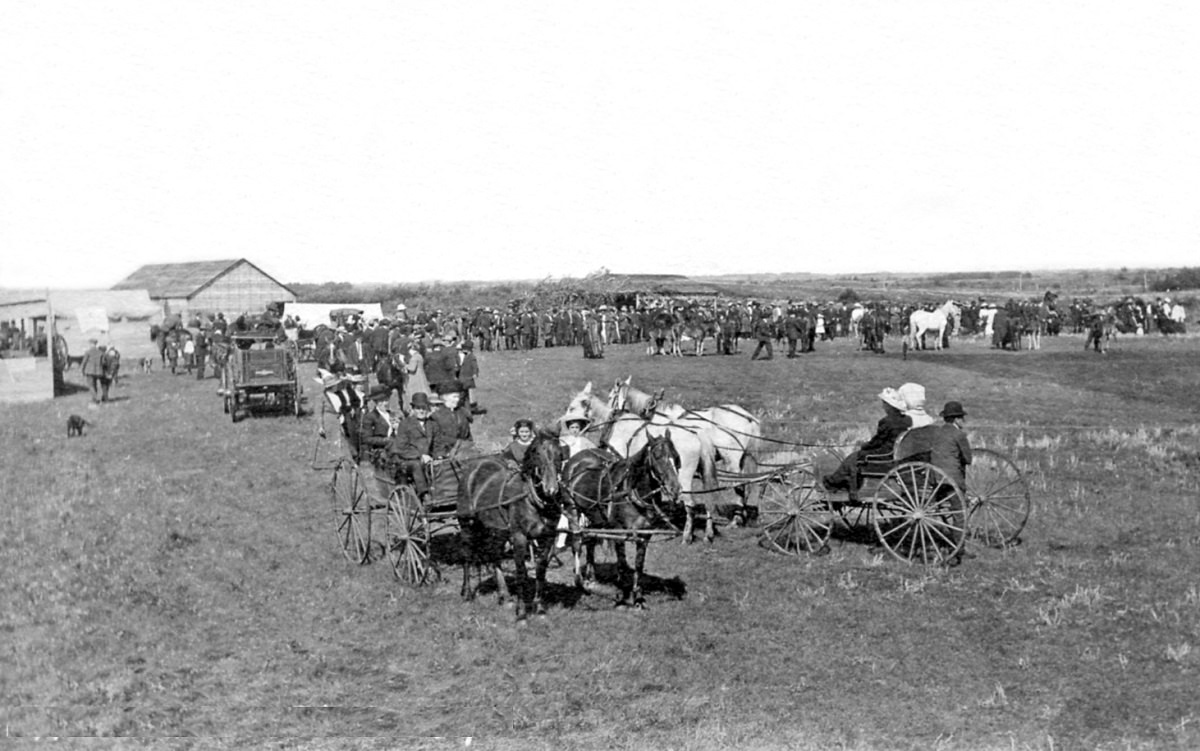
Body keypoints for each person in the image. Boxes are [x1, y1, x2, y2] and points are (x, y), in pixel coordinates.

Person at [822, 388, 912, 500]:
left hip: (884, 454)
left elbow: (877, 441)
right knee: (856, 457)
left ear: (889, 406)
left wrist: (864, 445)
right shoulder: (907, 420)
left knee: (853, 457)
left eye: (884, 404)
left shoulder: (887, 421)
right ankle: (843, 481)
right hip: (895, 453)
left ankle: (834, 482)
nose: (883, 406)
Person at [388, 392, 435, 502]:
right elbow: (402, 448)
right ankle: (424, 494)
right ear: (413, 409)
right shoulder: (405, 424)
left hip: (427, 458)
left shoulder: (431, 424)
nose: (421, 411)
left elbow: (437, 443)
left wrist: (439, 455)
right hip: (407, 460)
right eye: (418, 408)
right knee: (416, 465)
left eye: (424, 408)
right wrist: (420, 456)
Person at [930, 401, 972, 490]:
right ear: (956, 419)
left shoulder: (936, 432)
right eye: (962, 418)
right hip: (953, 478)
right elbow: (968, 459)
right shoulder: (959, 434)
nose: (964, 421)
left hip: (935, 477)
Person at [457, 339, 486, 415]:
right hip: (464, 378)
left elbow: (475, 366)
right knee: (465, 396)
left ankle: (463, 409)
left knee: (464, 395)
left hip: (467, 379)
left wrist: (475, 373)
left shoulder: (472, 357)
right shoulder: (466, 356)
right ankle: (467, 409)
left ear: (467, 349)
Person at [80, 338, 107, 403]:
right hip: (98, 371)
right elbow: (103, 362)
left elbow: (84, 362)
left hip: (89, 371)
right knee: (95, 385)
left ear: (91, 344)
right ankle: (94, 399)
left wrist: (82, 370)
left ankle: (95, 398)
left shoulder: (88, 352)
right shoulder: (100, 352)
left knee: (91, 385)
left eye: (90, 344)